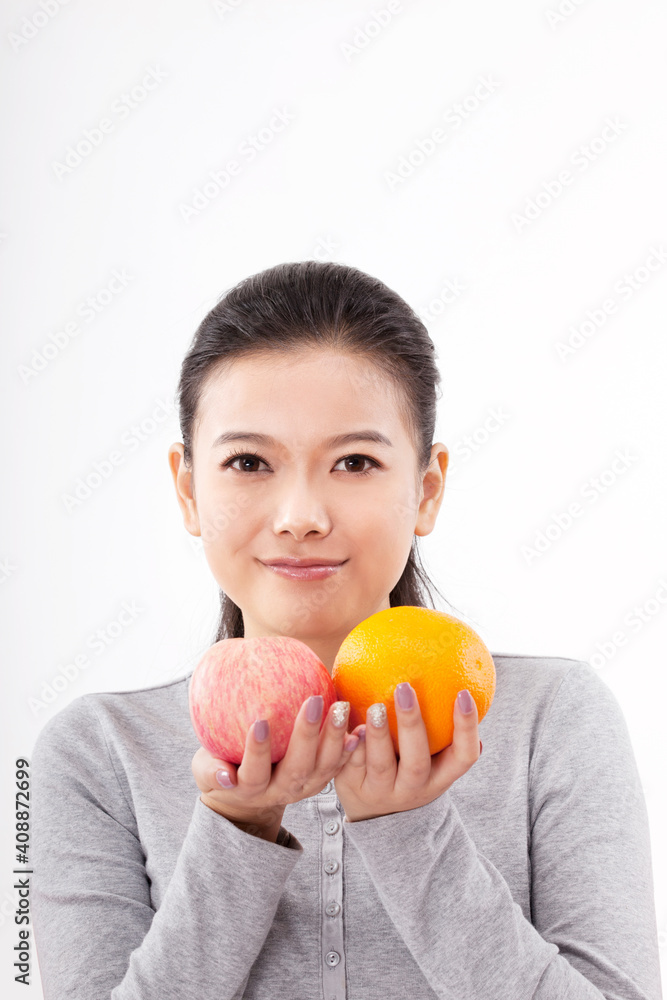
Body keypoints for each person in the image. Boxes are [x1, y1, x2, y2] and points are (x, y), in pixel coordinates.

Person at [31, 261, 662, 1000]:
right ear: (188, 489)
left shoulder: (550, 718)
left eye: (354, 461)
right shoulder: (97, 752)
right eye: (247, 462)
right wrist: (238, 833)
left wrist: (407, 830)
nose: (301, 513)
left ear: (425, 489)